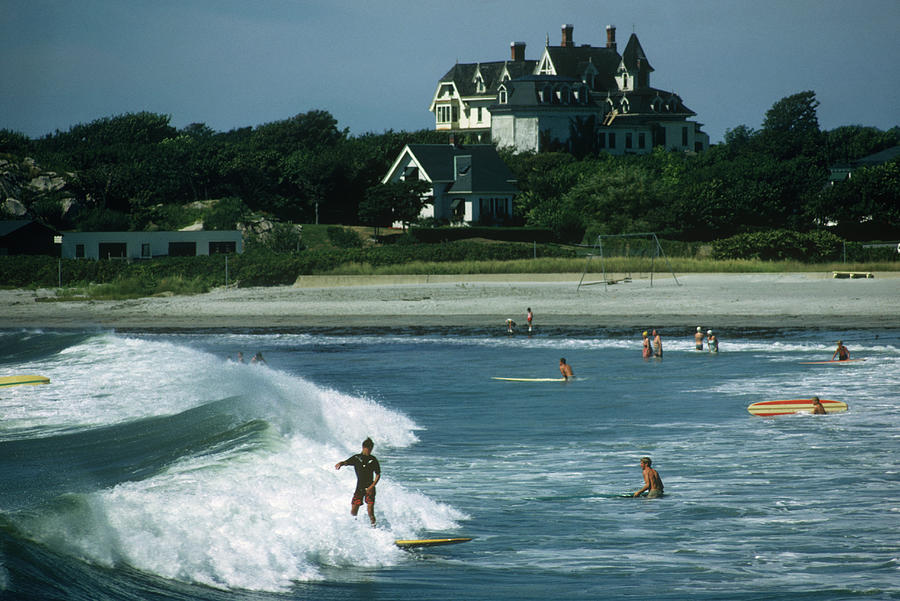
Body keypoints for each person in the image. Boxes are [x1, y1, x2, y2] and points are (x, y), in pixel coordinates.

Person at [335, 437, 381, 526]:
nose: (369, 451)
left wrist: (372, 486)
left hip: (370, 488)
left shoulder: (373, 460)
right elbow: (346, 462)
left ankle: (374, 528)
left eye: (371, 449)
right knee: (353, 511)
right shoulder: (357, 458)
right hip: (359, 488)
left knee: (370, 511)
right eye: (368, 449)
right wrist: (341, 463)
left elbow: (378, 474)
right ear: (363, 447)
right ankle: (354, 527)